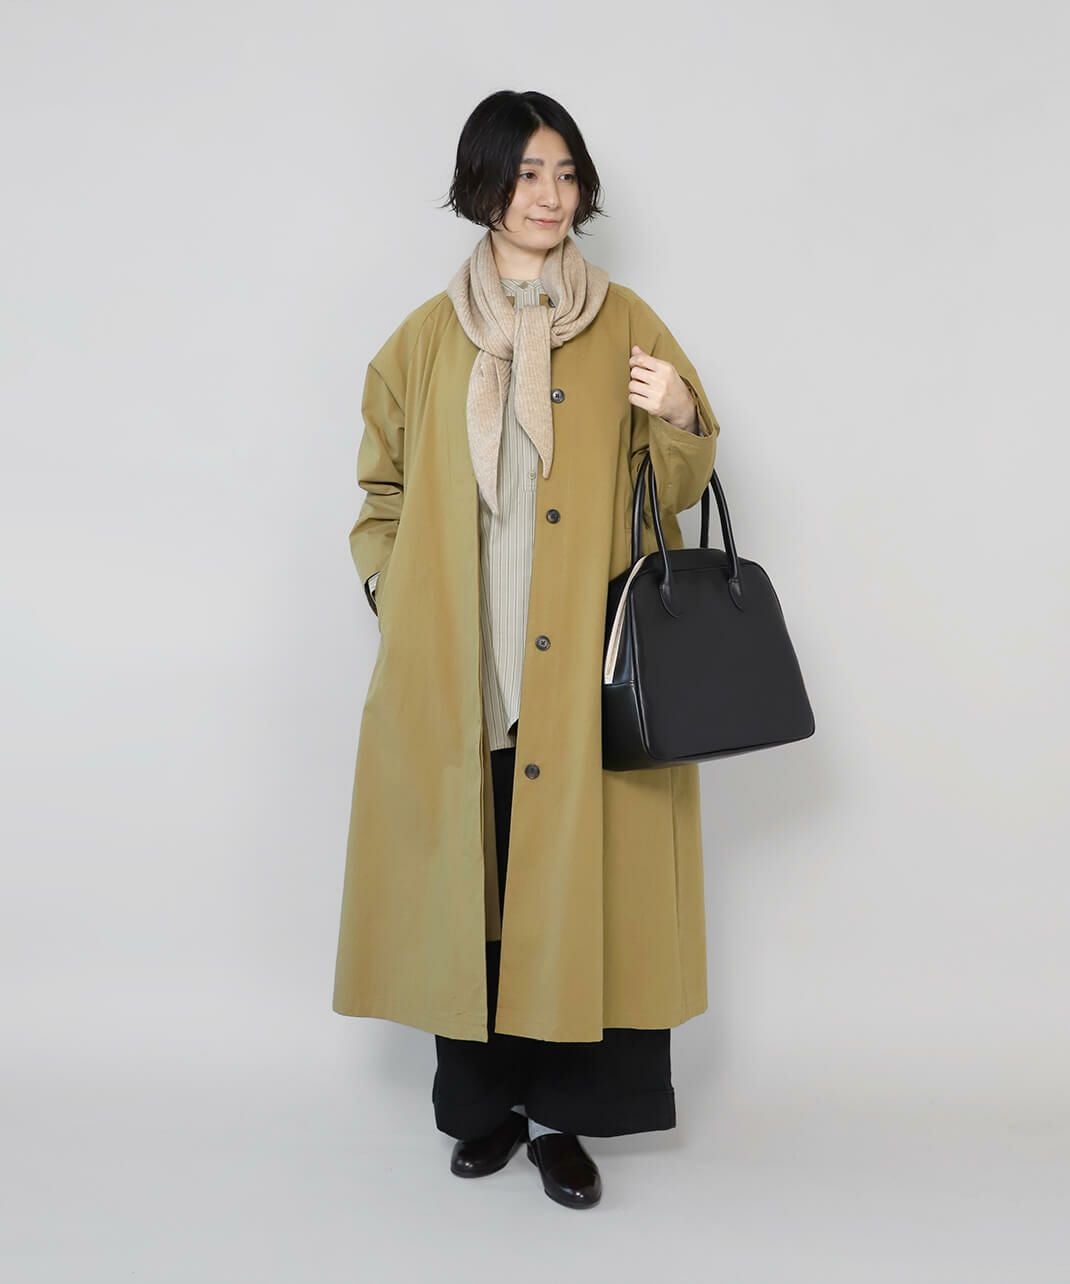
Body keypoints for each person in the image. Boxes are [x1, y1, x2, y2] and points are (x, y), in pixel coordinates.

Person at [333, 89, 721, 1210]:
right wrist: (390, 591)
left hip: (581, 673)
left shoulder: (626, 321)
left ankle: (565, 1121)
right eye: (524, 173)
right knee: (475, 887)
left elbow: (672, 488)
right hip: (463, 669)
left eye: (564, 173)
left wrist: (680, 413)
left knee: (571, 890)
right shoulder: (424, 338)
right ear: (483, 186)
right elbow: (380, 491)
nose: (548, 196)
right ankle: (483, 1109)